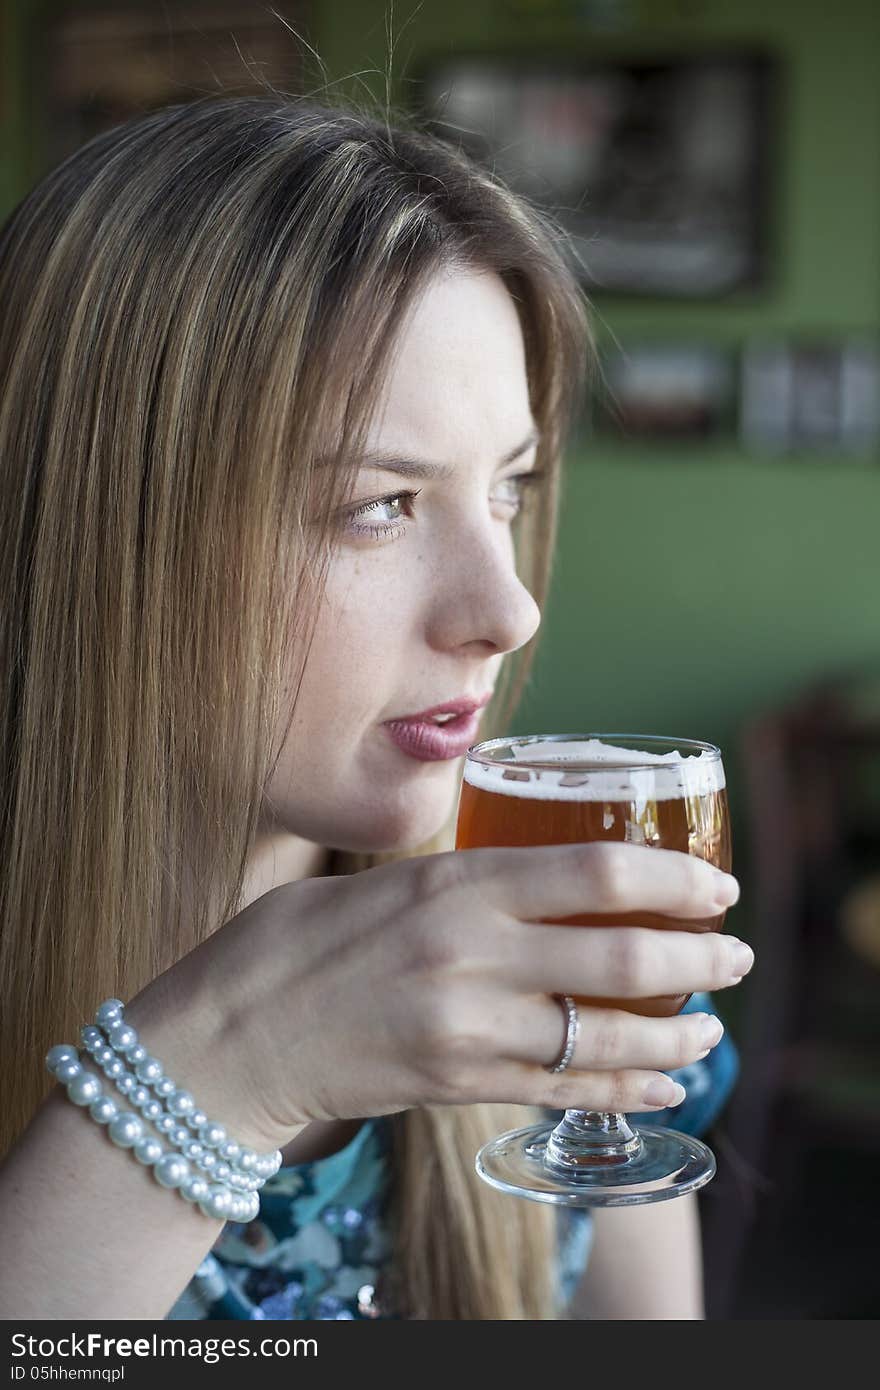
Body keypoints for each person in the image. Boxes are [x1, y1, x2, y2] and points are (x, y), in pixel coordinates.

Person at [0, 95, 749, 1321]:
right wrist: (222, 1065)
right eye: (377, 503)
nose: (506, 611)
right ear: (97, 538)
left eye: (507, 491)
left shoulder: (566, 981)